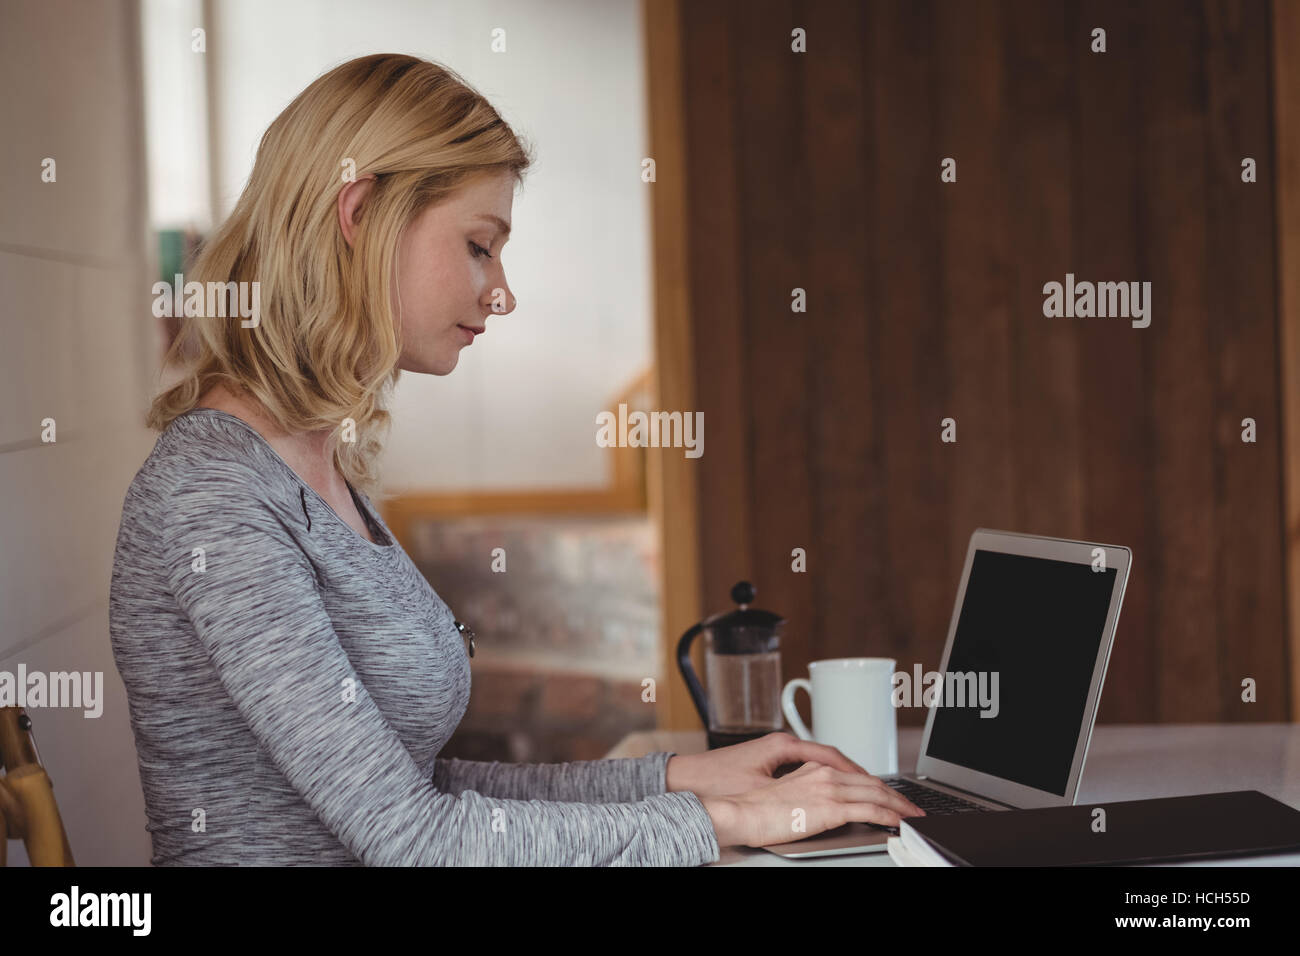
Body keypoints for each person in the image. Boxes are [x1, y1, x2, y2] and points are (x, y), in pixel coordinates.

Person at [108, 52, 922, 866]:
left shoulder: (314, 469)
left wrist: (682, 780)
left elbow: (422, 792)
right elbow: (415, 840)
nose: (502, 290)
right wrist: (728, 823)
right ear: (360, 213)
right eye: (478, 246)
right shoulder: (215, 494)